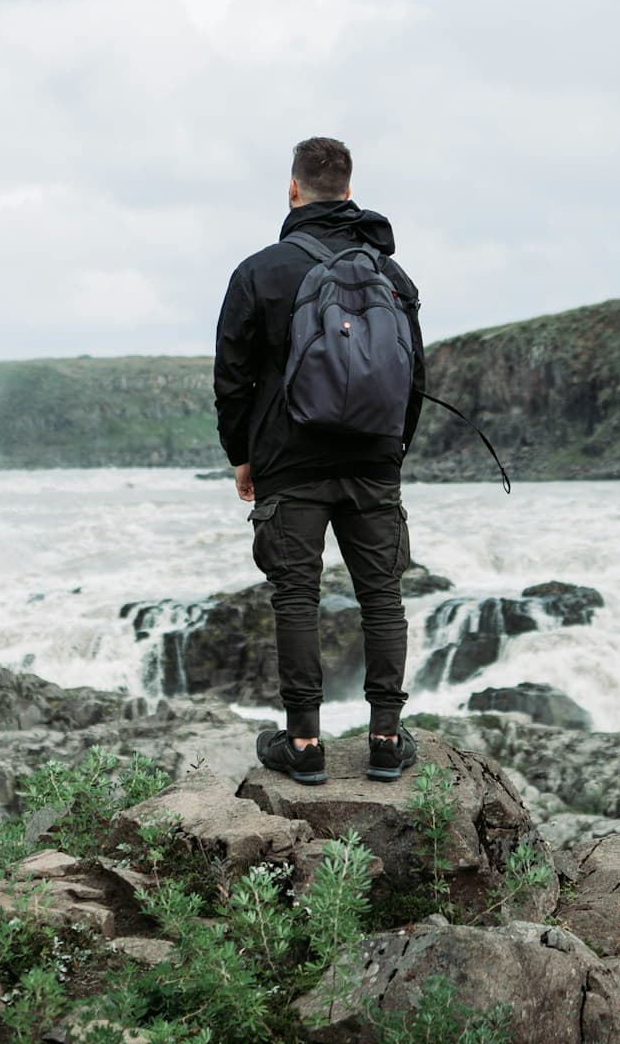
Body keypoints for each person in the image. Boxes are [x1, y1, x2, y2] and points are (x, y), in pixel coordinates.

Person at [213, 136, 426, 785]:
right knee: (382, 598)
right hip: (372, 464)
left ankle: (304, 745)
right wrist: (392, 453)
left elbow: (232, 379)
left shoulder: (260, 271)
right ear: (350, 188)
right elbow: (414, 375)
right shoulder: (389, 273)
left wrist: (242, 459)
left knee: (297, 600)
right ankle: (386, 740)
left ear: (293, 189)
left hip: (288, 462)